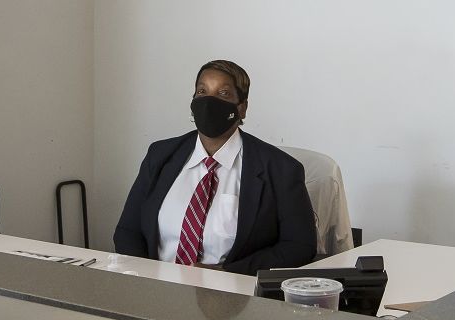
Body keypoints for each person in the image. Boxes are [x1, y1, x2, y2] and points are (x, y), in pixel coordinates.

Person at [113, 60, 316, 276]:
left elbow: (299, 246)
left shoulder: (281, 169)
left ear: (242, 108)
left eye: (224, 93)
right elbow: (128, 231)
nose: (209, 102)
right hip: (156, 289)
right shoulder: (160, 155)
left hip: (231, 297)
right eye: (202, 91)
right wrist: (146, 278)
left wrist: (224, 273)